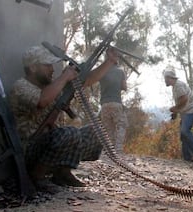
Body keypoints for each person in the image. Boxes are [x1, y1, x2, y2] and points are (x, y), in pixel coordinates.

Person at [9, 45, 118, 188]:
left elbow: (86, 81)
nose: (52, 69)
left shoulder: (51, 87)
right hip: (29, 149)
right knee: (68, 133)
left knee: (94, 132)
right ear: (33, 68)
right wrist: (64, 77)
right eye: (47, 65)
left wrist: (109, 62)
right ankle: (37, 176)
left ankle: (62, 174)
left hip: (48, 145)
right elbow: (42, 101)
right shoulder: (21, 86)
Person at [164, 67, 193, 163]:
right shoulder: (175, 86)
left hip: (191, 111)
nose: (165, 80)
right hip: (186, 112)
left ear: (169, 78)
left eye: (165, 78)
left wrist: (175, 108)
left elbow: (184, 100)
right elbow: (181, 101)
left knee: (185, 131)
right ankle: (187, 158)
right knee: (183, 135)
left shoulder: (178, 85)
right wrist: (176, 112)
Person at [99, 58, 128, 154]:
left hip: (104, 104)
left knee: (108, 128)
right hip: (116, 102)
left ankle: (108, 149)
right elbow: (124, 87)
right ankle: (118, 149)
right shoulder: (120, 72)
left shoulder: (101, 72)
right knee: (121, 125)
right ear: (117, 62)